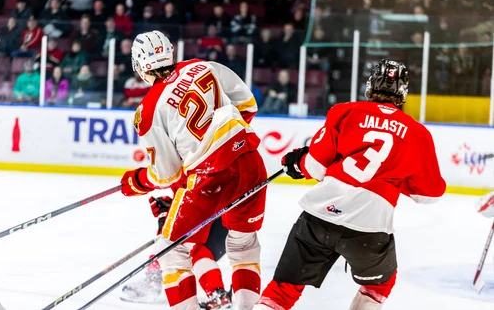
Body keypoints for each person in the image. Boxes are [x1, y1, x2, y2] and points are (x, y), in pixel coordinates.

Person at [253, 59, 446, 310]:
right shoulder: (418, 133)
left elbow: (315, 167)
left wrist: (299, 161)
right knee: (379, 286)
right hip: (369, 227)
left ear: (370, 84)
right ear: (403, 91)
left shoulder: (345, 111)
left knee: (282, 290)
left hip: (319, 215)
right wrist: (396, 177)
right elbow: (430, 194)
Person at [120, 30, 265, 310]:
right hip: (249, 162)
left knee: (169, 249)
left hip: (210, 178)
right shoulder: (203, 66)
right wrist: (226, 139)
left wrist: (136, 181)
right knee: (244, 245)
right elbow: (247, 105)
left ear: (138, 64)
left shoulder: (148, 111)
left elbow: (166, 174)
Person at [120, 195, 232, 309]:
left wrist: (138, 182)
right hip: (217, 215)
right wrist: (169, 209)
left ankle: (218, 294)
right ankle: (218, 294)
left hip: (222, 216)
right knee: (177, 244)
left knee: (182, 247)